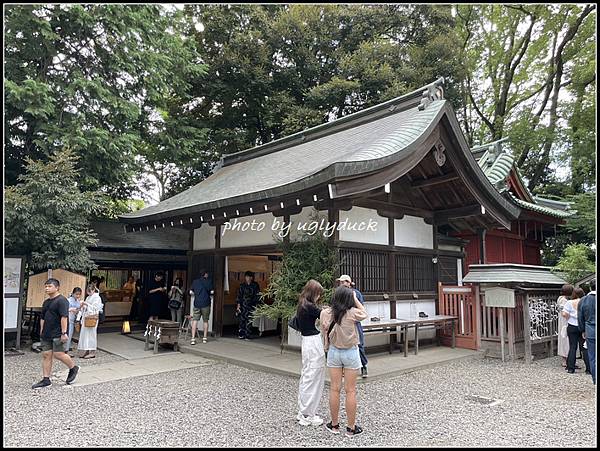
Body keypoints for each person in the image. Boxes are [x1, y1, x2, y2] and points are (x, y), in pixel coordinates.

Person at [320, 286, 368, 437]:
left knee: (334, 389)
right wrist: (355, 299)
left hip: (334, 352)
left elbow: (323, 330)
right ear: (348, 299)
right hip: (351, 353)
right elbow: (364, 313)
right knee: (350, 391)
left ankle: (334, 425)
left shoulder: (325, 313)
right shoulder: (352, 313)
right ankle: (350, 428)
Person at [32, 278, 79, 389]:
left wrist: (64, 332)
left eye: (49, 286)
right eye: (46, 286)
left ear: (57, 287)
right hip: (47, 333)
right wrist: (41, 331)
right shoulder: (46, 302)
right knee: (46, 355)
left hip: (58, 332)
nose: (47, 288)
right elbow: (42, 318)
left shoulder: (62, 300)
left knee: (58, 354)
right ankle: (46, 379)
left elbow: (64, 317)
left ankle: (73, 367)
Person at [296, 280, 326, 427]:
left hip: (307, 342)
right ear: (314, 292)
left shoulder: (302, 303)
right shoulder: (310, 306)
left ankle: (303, 411)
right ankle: (308, 414)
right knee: (313, 377)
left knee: (307, 375)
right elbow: (324, 315)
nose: (319, 297)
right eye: (318, 293)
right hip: (313, 343)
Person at [337, 275, 368, 378]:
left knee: (359, 345)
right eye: (340, 282)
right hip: (341, 322)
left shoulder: (356, 293)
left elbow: (361, 309)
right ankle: (343, 368)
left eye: (344, 282)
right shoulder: (338, 293)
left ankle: (364, 366)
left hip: (354, 322)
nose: (342, 284)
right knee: (341, 345)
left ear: (349, 283)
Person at [562, 287, 590, 374]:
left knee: (572, 347)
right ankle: (588, 369)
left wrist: (570, 317)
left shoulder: (569, 302)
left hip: (572, 326)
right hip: (583, 326)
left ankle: (571, 368)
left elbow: (564, 314)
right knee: (584, 347)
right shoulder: (585, 301)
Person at [78, 283, 104, 359]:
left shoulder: (97, 297)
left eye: (90, 291)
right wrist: (84, 305)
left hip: (92, 317)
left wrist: (86, 304)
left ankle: (92, 352)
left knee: (91, 335)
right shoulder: (88, 297)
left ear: (93, 290)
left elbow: (96, 308)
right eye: (88, 291)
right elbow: (87, 307)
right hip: (86, 317)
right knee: (85, 335)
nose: (89, 293)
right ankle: (86, 349)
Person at [578, 280, 596, 384]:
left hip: (590, 330)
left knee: (593, 357)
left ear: (590, 288)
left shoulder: (584, 300)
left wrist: (582, 330)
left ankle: (595, 379)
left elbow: (580, 318)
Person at [190, 270, 214, 344]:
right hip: (206, 303)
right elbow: (212, 292)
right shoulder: (209, 282)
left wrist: (196, 294)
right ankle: (204, 338)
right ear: (205, 274)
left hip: (197, 303)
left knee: (195, 320)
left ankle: (193, 339)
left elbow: (190, 292)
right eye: (207, 274)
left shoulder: (195, 282)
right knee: (205, 321)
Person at [236, 271, 261, 340]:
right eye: (246, 277)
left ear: (252, 277)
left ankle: (247, 335)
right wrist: (238, 305)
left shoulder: (255, 285)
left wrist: (257, 304)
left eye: (249, 277)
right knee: (242, 320)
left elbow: (258, 295)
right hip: (243, 305)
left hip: (251, 305)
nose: (248, 278)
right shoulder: (242, 285)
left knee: (249, 320)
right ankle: (241, 334)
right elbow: (239, 296)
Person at [556, 284, 573, 367]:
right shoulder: (564, 301)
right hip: (565, 321)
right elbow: (564, 313)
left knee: (563, 339)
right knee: (566, 339)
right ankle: (565, 360)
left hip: (562, 321)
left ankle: (565, 359)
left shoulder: (560, 298)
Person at [66, 287, 83, 354]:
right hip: (68, 319)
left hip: (73, 319)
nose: (78, 296)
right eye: (76, 294)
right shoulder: (68, 300)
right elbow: (64, 310)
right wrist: (71, 309)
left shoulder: (78, 301)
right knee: (68, 334)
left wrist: (80, 308)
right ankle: (65, 350)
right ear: (73, 293)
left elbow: (78, 309)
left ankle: (66, 349)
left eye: (79, 294)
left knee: (70, 334)